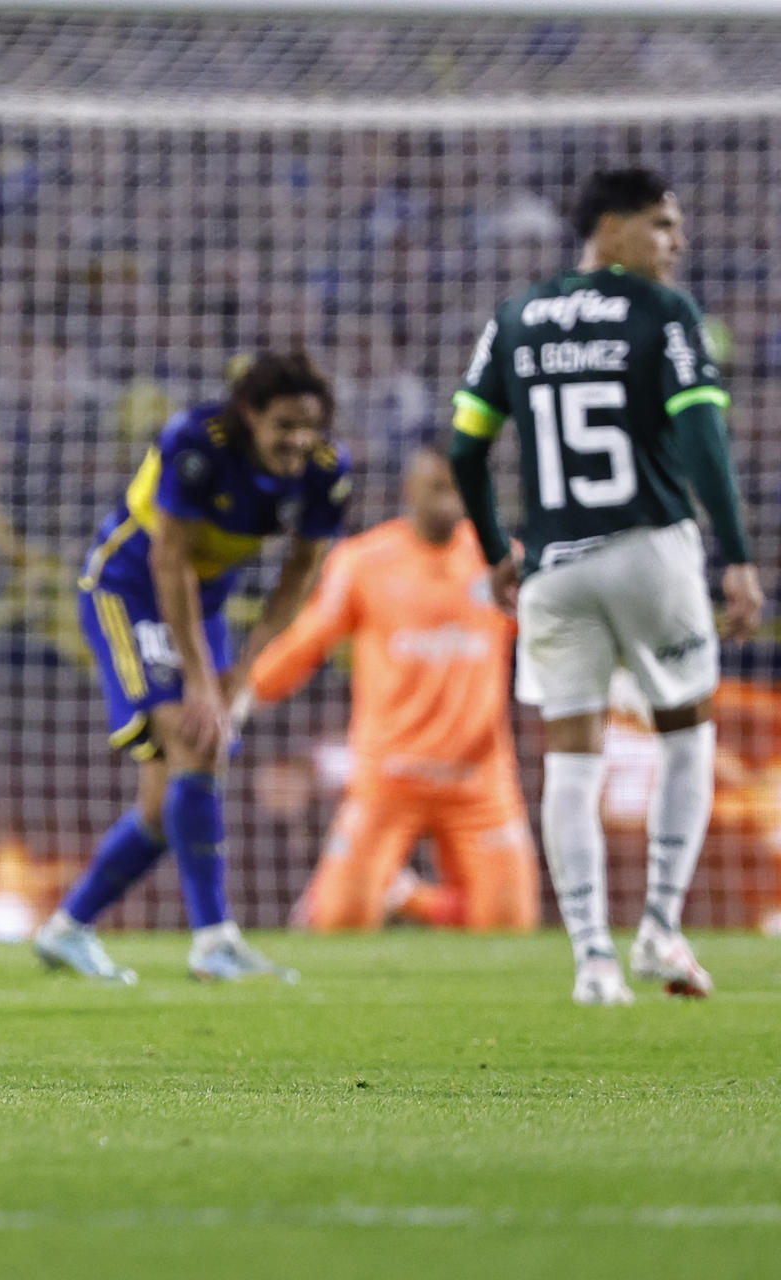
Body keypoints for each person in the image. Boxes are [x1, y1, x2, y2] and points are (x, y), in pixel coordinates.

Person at [451, 167, 762, 1005]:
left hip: (552, 566)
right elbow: (700, 434)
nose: (678, 242)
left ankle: (591, 958)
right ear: (612, 229)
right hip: (647, 549)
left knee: (571, 757)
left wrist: (493, 550)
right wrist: (733, 553)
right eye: (663, 224)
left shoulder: (515, 318)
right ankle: (660, 928)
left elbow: (464, 450)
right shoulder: (663, 313)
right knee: (686, 731)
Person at [35, 352, 350, 983]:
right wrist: (205, 681)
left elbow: (300, 573)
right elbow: (168, 560)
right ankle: (213, 941)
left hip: (200, 607)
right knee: (194, 737)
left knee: (166, 802)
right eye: (283, 424)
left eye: (308, 426)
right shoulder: (195, 445)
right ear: (250, 415)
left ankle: (68, 928)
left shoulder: (323, 473)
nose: (297, 440)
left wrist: (246, 667)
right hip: (128, 588)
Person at [245, 440, 539, 934]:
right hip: (389, 776)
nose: (449, 498)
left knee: (511, 926)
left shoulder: (502, 561)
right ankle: (393, 893)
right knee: (340, 923)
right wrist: (246, 691)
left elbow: (551, 636)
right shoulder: (363, 561)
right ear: (410, 490)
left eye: (459, 487)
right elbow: (308, 640)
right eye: (437, 486)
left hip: (479, 779)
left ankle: (408, 896)